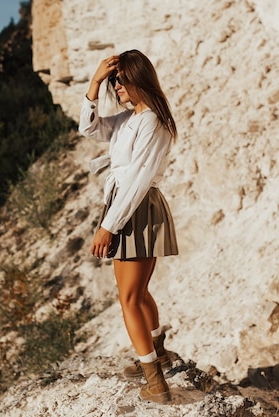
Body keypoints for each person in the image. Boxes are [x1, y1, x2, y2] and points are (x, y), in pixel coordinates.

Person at [79, 50, 179, 404]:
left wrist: (108, 226)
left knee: (130, 299)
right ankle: (157, 355)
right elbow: (88, 127)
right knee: (138, 293)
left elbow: (138, 179)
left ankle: (155, 383)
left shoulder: (153, 120)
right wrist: (95, 81)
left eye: (121, 80)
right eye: (114, 82)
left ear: (139, 78)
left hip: (134, 208)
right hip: (127, 206)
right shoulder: (128, 119)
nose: (117, 87)